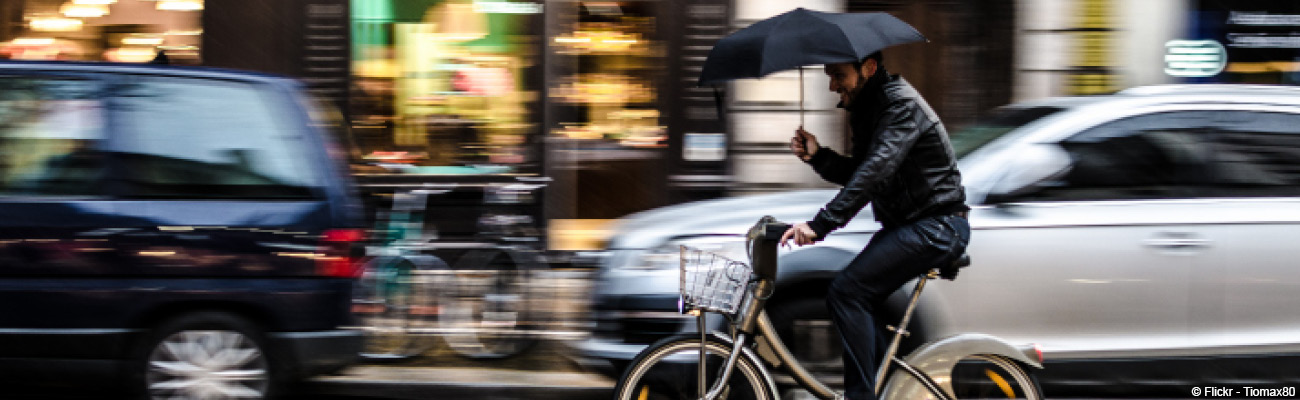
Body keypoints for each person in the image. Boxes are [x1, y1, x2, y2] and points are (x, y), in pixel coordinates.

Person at [779, 51, 971, 400]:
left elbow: (873, 173)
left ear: (868, 68)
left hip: (937, 226)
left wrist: (821, 225)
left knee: (847, 292)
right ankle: (883, 387)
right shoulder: (869, 107)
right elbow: (863, 173)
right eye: (829, 75)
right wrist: (819, 156)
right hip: (911, 225)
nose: (832, 84)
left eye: (839, 75)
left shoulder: (899, 107)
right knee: (861, 297)